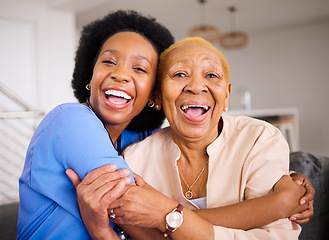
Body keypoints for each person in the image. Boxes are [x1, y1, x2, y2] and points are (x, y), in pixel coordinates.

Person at [67, 37, 315, 239]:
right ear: (156, 95)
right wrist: (277, 205)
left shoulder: (260, 139)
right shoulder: (135, 160)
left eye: (211, 75)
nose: (196, 86)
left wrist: (164, 216)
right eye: (179, 74)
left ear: (227, 95)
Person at [16, 10, 175, 239]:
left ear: (154, 93)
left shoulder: (139, 135)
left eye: (139, 68)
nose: (120, 74)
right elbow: (156, 224)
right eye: (109, 61)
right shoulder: (71, 120)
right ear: (90, 75)